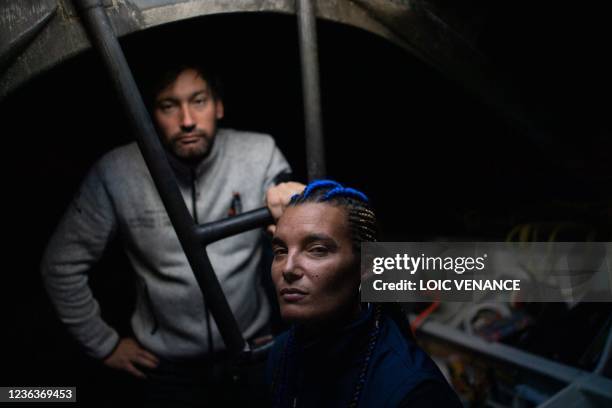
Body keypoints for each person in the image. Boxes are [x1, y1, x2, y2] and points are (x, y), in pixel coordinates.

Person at [40, 63, 304, 405]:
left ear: (218, 106)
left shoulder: (259, 152)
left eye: (199, 101)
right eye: (169, 106)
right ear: (150, 113)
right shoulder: (117, 171)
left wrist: (298, 206)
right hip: (167, 369)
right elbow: (60, 265)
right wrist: (104, 344)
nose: (187, 120)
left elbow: (299, 216)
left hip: (255, 350)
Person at [267, 180, 462, 407]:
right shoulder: (282, 353)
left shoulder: (413, 392)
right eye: (280, 251)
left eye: (317, 250)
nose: (288, 268)